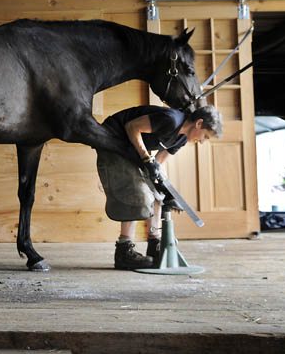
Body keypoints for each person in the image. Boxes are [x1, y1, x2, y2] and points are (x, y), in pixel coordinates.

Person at [96, 104, 223, 270]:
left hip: (132, 148)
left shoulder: (182, 138)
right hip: (113, 139)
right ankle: (124, 251)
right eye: (205, 136)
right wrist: (147, 159)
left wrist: (167, 192)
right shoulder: (171, 119)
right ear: (199, 123)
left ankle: (154, 244)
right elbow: (132, 126)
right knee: (137, 193)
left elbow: (159, 163)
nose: (202, 142)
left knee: (157, 192)